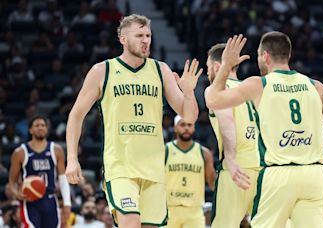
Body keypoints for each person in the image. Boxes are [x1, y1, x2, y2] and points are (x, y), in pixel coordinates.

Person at [65, 14, 202, 227]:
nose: (145, 40)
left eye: (148, 35)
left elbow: (189, 116)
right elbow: (76, 115)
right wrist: (72, 158)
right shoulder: (103, 70)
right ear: (123, 39)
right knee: (130, 223)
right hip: (121, 168)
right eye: (139, 35)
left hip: (154, 169)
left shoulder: (161, 70)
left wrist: (189, 92)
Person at [205, 32, 323, 228]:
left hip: (280, 173)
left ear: (265, 56)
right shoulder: (315, 86)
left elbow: (213, 99)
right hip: (315, 174)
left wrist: (225, 67)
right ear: (287, 55)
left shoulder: (259, 84)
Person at [205, 43, 261, 227]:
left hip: (236, 169)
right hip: (262, 168)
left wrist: (230, 156)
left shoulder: (217, 90)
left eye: (207, 67)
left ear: (215, 66)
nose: (207, 72)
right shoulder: (253, 89)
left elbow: (227, 120)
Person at [8, 116, 71, 228]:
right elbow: (12, 182)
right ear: (30, 130)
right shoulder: (20, 152)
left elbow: (62, 179)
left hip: (50, 199)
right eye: (37, 125)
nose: (40, 128)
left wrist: (67, 203)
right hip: (30, 201)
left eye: (43, 125)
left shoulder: (56, 150)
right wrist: (17, 193)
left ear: (47, 129)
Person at [165, 115, 215, 228]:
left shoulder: (204, 153)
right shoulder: (165, 151)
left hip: (195, 210)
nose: (186, 128)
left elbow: (212, 184)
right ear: (175, 128)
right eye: (182, 125)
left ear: (194, 128)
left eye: (189, 125)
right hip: (170, 209)